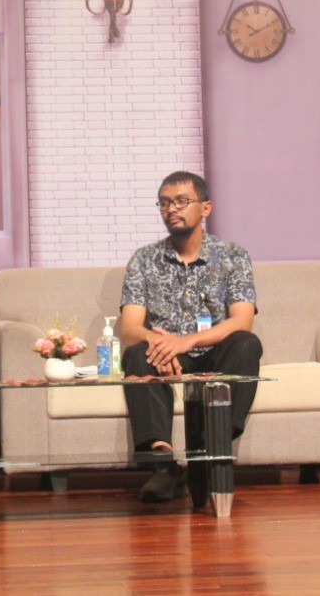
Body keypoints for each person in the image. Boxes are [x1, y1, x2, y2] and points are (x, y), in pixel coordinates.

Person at [120, 170, 263, 502]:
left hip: (214, 352)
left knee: (246, 344)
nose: (172, 209)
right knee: (136, 354)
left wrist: (186, 341)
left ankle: (215, 447)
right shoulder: (144, 259)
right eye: (164, 203)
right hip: (166, 357)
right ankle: (164, 465)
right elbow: (129, 327)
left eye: (181, 201)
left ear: (206, 208)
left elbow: (242, 320)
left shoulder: (232, 256)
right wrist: (161, 343)